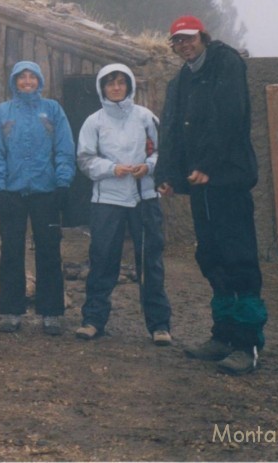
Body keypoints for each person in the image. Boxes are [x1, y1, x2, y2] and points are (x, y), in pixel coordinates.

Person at [155, 15, 267, 375]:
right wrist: (168, 174)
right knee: (211, 257)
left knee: (239, 258)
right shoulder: (180, 81)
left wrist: (208, 164)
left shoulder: (226, 64)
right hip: (201, 184)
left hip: (227, 180)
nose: (184, 45)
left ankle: (247, 345)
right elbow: (170, 128)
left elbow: (229, 117)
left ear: (202, 37)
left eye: (188, 39)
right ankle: (222, 336)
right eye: (177, 41)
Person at [75, 63, 173, 345]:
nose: (116, 87)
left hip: (144, 197)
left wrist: (149, 167)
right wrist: (111, 168)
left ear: (129, 85)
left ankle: (159, 325)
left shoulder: (145, 117)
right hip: (107, 199)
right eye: (110, 83)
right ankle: (93, 320)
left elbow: (162, 150)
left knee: (149, 260)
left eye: (121, 82)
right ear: (102, 87)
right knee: (103, 259)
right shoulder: (94, 121)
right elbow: (84, 158)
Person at [0, 61, 75, 335]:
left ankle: (51, 312)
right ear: (14, 81)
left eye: (31, 77)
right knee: (11, 250)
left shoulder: (52, 110)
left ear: (39, 81)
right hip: (13, 192)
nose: (26, 82)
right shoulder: (3, 112)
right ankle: (11, 311)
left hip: (45, 191)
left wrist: (63, 183)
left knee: (48, 250)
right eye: (21, 77)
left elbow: (64, 148)